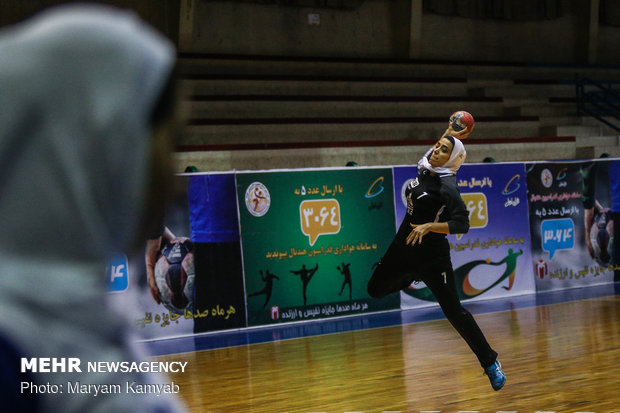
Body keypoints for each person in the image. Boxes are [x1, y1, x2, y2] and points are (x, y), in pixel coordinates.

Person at [0, 4, 186, 412]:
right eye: (164, 150)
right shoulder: (10, 363)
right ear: (94, 147)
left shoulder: (82, 322)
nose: (173, 182)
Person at [367, 133, 506, 391]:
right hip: (403, 247)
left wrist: (430, 226)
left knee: (455, 312)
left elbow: (462, 223)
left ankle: (490, 363)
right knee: (374, 290)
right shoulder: (426, 167)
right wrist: (451, 130)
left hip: (433, 257)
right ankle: (411, 276)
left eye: (443, 151)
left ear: (451, 160)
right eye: (436, 146)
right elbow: (441, 146)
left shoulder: (447, 186)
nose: (436, 151)